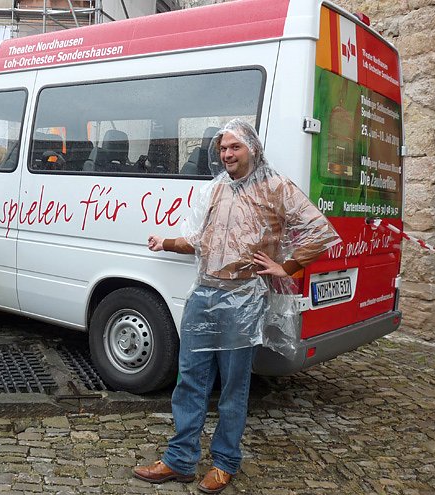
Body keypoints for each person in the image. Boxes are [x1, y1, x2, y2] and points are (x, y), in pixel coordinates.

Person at [133, 119, 341, 494]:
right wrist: (166, 243)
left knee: (233, 386)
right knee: (189, 380)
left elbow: (320, 230)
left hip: (243, 298)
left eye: (235, 147)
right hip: (204, 294)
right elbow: (200, 239)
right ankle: (180, 460)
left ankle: (225, 462)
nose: (227, 154)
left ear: (252, 148)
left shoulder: (276, 187)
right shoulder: (217, 189)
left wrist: (288, 266)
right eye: (223, 148)